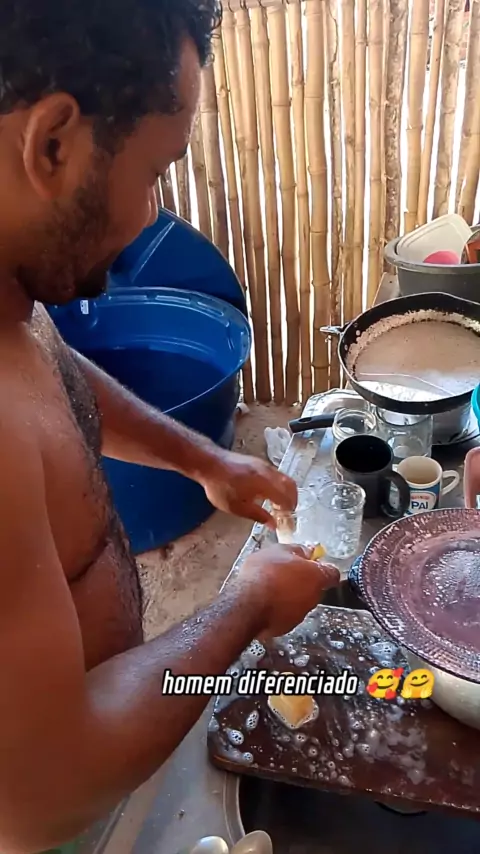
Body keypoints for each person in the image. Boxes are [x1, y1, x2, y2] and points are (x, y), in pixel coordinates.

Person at [0, 1, 341, 851]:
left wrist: (203, 461)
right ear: (52, 145)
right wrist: (245, 602)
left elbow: (54, 374)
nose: (153, 213)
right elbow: (38, 794)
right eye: (155, 170)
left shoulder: (11, 295)